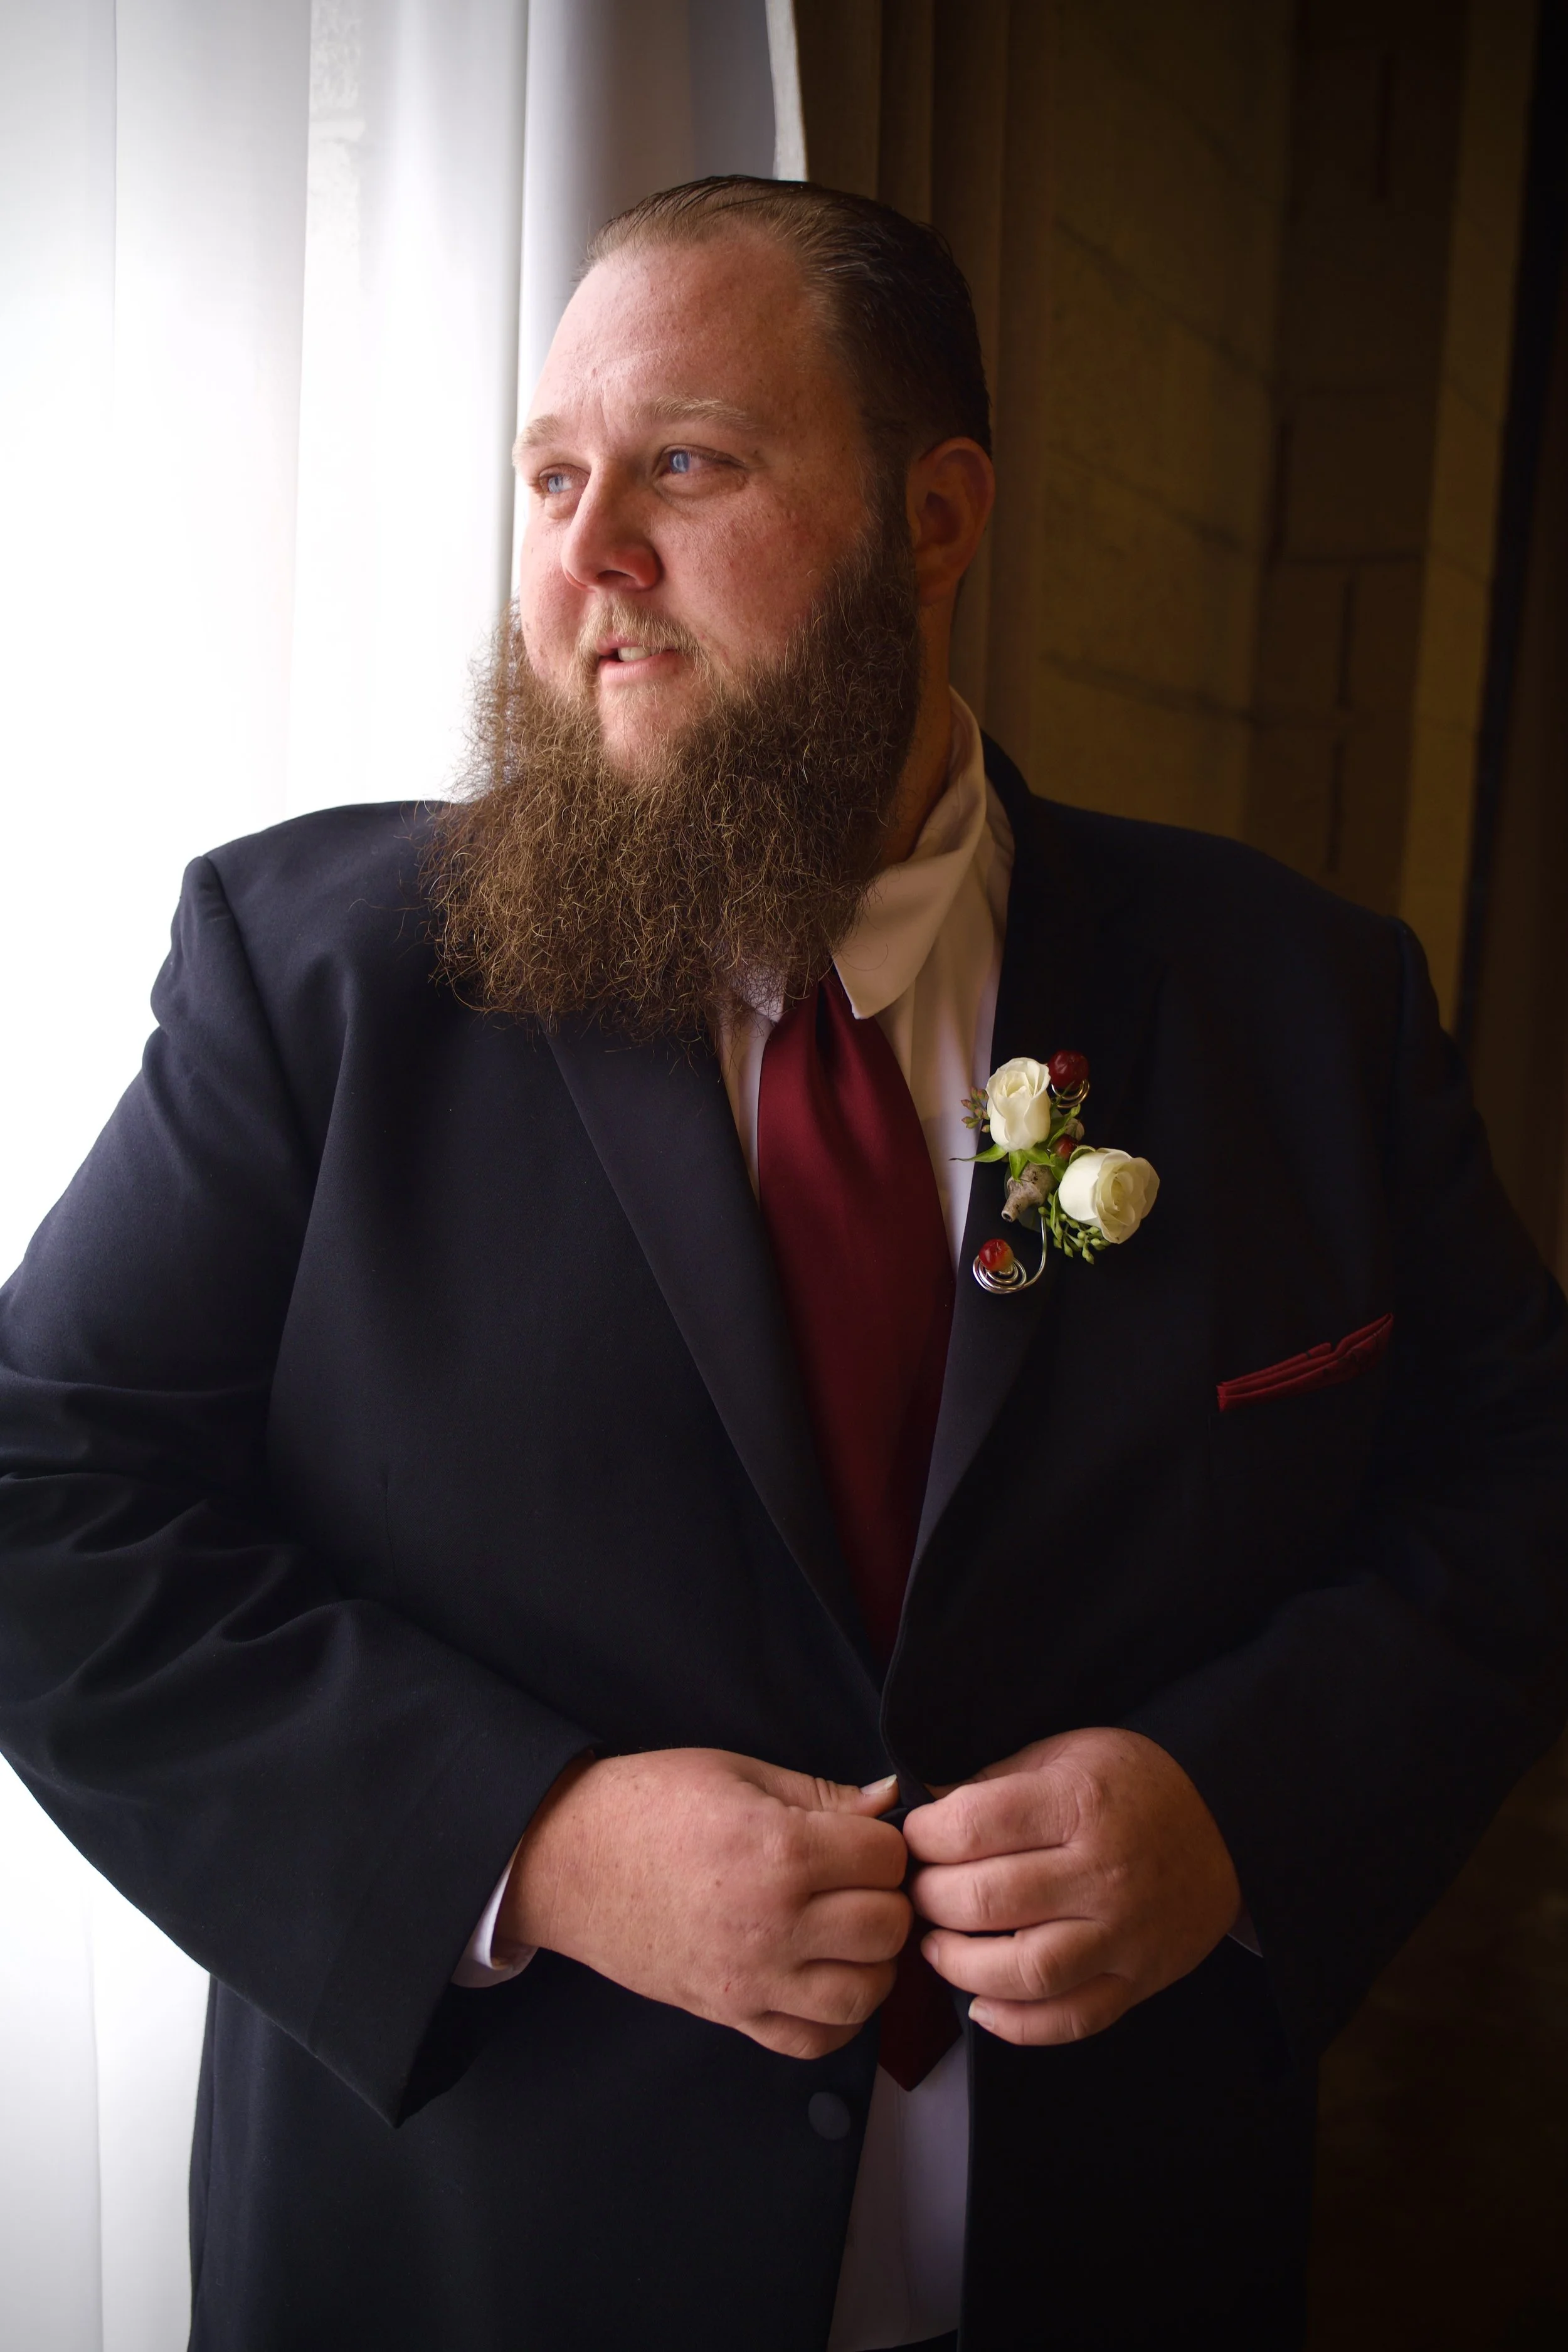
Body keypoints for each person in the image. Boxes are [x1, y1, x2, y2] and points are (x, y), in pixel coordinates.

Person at [1, 176, 1564, 2352]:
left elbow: (1512, 1484)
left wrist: (1239, 1803)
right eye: (551, 477)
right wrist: (529, 1844)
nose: (585, 556)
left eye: (685, 464)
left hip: (1127, 2256)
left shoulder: (1306, 1003)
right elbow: (43, 1501)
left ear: (934, 519)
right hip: (481, 2271)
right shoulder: (309, 980)